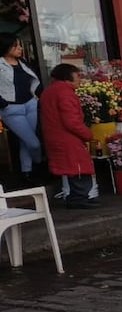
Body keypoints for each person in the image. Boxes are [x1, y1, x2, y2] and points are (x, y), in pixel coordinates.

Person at [39, 64, 96, 209]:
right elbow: (71, 121)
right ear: (67, 78)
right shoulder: (65, 93)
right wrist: (88, 134)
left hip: (56, 136)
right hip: (67, 137)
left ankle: (78, 198)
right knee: (78, 168)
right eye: (78, 77)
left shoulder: (49, 92)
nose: (80, 80)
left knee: (72, 168)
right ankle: (78, 199)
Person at [0, 33, 42, 183]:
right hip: (11, 109)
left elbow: (34, 79)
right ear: (6, 47)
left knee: (26, 141)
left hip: (30, 104)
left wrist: (36, 96)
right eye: (15, 46)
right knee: (33, 142)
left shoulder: (23, 62)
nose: (19, 48)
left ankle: (27, 172)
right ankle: (39, 163)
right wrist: (2, 103)